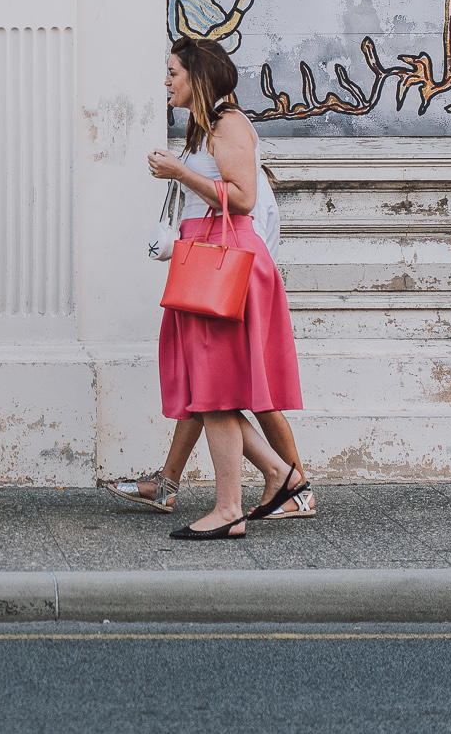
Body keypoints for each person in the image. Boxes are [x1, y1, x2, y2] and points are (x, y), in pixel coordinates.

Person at [123, 38, 307, 540]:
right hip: (207, 266)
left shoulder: (228, 125)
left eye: (173, 72)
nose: (166, 80)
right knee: (210, 393)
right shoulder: (205, 127)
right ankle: (277, 475)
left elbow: (243, 199)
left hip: (227, 269)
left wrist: (180, 172)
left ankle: (232, 509)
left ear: (197, 78)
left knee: (216, 394)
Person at [107, 153, 317, 520]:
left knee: (245, 399)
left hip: (235, 287)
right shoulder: (208, 151)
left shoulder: (239, 163)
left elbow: (259, 241)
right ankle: (170, 484)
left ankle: (296, 487)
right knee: (205, 389)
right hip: (220, 282)